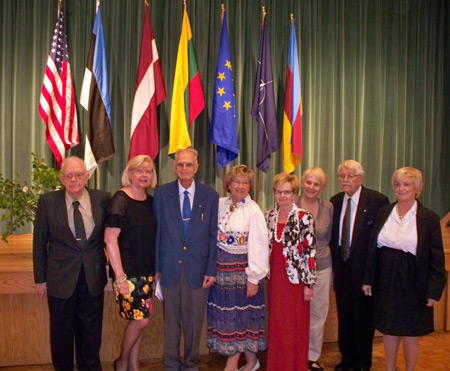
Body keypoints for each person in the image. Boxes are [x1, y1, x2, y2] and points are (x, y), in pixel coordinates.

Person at [362, 167, 446, 371]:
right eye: (398, 184)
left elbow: (436, 259)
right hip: (386, 277)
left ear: (417, 188)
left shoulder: (430, 219)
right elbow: (372, 249)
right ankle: (389, 369)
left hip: (414, 279)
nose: (401, 189)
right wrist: (368, 279)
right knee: (389, 329)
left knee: (410, 332)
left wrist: (434, 291)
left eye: (406, 184)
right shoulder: (384, 212)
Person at [33, 156, 110, 371]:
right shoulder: (48, 202)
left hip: (92, 278)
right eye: (69, 175)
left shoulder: (103, 199)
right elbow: (39, 243)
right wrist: (40, 279)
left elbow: (112, 238)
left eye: (78, 175)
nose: (74, 179)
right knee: (61, 335)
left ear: (87, 177)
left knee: (91, 334)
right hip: (59, 280)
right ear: (61, 178)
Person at [154, 148, 219, 370]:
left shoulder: (210, 196)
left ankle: (191, 364)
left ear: (196, 167)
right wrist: (156, 268)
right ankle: (171, 364)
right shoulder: (161, 194)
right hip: (169, 268)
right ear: (174, 168)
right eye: (180, 164)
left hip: (198, 270)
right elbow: (158, 232)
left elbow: (213, 235)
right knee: (171, 322)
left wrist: (211, 270)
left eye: (188, 165)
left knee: (193, 323)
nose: (184, 168)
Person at [207, 165, 269, 371]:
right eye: (236, 181)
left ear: (250, 186)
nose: (240, 186)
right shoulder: (219, 204)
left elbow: (260, 246)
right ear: (228, 184)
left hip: (243, 274)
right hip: (221, 273)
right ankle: (252, 362)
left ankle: (231, 364)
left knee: (240, 319)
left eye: (245, 182)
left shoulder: (254, 211)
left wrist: (254, 278)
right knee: (231, 318)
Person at [330, 160, 389, 371]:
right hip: (342, 270)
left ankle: (363, 362)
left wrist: (372, 276)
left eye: (350, 176)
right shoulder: (335, 201)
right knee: (345, 318)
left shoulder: (377, 201)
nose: (345, 180)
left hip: (365, 273)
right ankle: (347, 360)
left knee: (363, 320)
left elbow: (378, 242)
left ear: (360, 178)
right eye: (342, 176)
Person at [104, 155, 157, 371]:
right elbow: (110, 239)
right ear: (130, 174)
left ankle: (133, 365)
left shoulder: (151, 201)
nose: (144, 175)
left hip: (147, 271)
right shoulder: (120, 199)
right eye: (139, 170)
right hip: (127, 273)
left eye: (148, 171)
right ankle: (122, 361)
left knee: (138, 319)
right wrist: (119, 277)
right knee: (141, 320)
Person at [265, 173, 317, 371]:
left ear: (295, 194)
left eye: (287, 192)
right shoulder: (269, 216)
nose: (283, 195)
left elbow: (310, 252)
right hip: (275, 279)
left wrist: (309, 284)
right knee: (278, 325)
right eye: (279, 191)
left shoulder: (304, 217)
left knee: (294, 327)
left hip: (296, 283)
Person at [296, 167, 333, 371]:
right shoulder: (290, 203)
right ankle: (297, 353)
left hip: (322, 268)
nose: (311, 187)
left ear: (322, 187)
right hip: (296, 271)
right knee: (297, 314)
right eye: (308, 182)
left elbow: (329, 239)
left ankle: (312, 357)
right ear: (303, 183)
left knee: (318, 315)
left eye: (316, 184)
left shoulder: (328, 207)